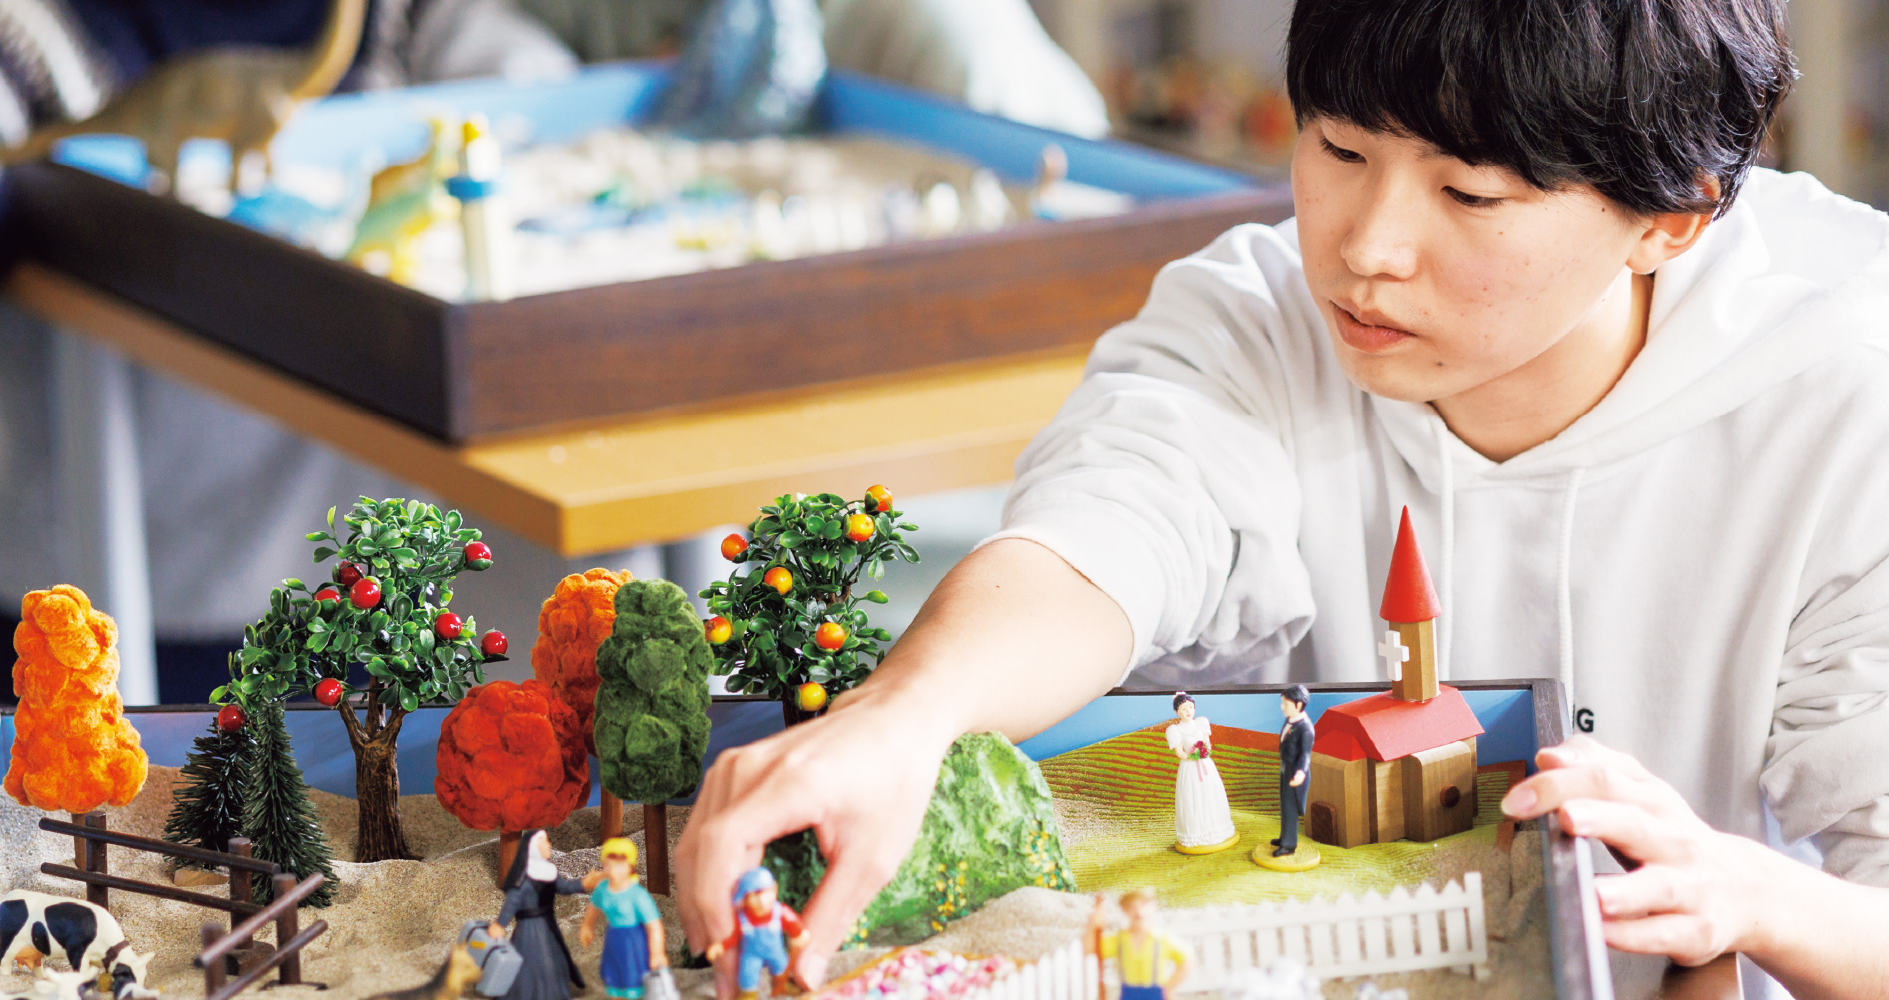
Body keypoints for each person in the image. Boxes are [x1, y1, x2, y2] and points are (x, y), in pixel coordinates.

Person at [674, 0, 1889, 994]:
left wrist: (1747, 891)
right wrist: (902, 716)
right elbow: (1096, 538)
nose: (1364, 246)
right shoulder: (1248, 319)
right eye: (1338, 149)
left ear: (1669, 220)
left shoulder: (1843, 379)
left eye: (1466, 194)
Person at [0, 0, 589, 720]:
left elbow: (569, 136)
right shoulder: (22, 40)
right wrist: (64, 172)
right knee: (32, 883)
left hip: (328, 621)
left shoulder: (409, 29)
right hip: (31, 622)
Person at [490, 829, 587, 1000]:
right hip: (529, 928)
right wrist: (500, 924)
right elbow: (512, 901)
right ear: (534, 847)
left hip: (548, 925)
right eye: (545, 841)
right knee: (531, 962)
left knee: (552, 959)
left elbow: (564, 888)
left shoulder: (550, 871)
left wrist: (585, 883)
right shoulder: (525, 876)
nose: (550, 845)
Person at [577, 837, 668, 1000]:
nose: (613, 870)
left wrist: (657, 952)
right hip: (614, 938)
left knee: (633, 977)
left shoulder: (637, 895)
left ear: (630, 867)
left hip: (633, 941)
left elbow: (654, 925)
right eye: (608, 865)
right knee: (614, 976)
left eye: (620, 865)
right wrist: (587, 926)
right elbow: (594, 907)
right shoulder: (603, 889)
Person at [704, 867, 805, 1000]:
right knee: (747, 976)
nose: (761, 900)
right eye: (754, 895)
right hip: (751, 955)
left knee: (782, 968)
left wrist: (799, 933)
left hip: (776, 952)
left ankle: (782, 986)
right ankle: (748, 995)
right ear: (745, 898)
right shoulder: (742, 918)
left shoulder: (779, 911)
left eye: (765, 892)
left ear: (774, 889)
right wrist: (721, 946)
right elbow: (734, 937)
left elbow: (793, 923)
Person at [1164, 692, 1234, 854]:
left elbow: (1208, 744)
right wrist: (1193, 756)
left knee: (1210, 794)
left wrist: (1204, 752)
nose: (1188, 711)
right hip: (1190, 768)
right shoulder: (1175, 730)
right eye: (1183, 708)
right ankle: (1194, 833)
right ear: (1177, 712)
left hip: (1206, 766)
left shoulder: (1201, 723)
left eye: (1191, 707)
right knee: (1192, 797)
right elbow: (1180, 753)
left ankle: (1216, 828)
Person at [1086, 888, 1187, 1000]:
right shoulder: (1119, 940)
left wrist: (1169, 988)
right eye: (1132, 907)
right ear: (1124, 910)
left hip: (1156, 993)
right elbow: (1090, 949)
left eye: (1143, 905)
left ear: (1153, 907)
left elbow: (1186, 961)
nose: (1139, 912)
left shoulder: (1161, 939)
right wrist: (1093, 926)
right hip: (1129, 993)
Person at [1263, 685, 1311, 865]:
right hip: (1285, 768)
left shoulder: (1305, 728)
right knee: (1284, 806)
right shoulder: (1289, 721)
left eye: (1286, 703)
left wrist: (1300, 772)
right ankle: (1284, 838)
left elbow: (1306, 755)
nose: (1282, 707)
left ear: (1298, 705)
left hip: (1295, 772)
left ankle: (1290, 844)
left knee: (1291, 809)